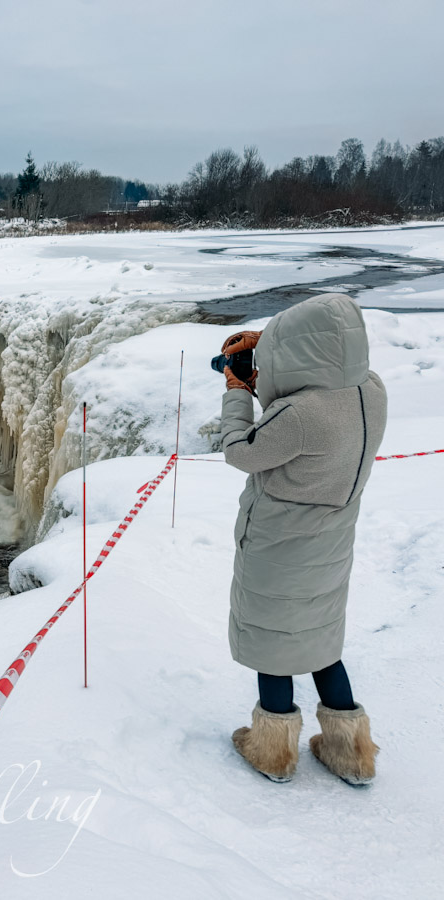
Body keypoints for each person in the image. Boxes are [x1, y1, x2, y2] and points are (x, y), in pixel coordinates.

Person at [219, 293, 386, 785]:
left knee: (276, 642)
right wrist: (266, 348)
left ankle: (271, 751)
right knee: (319, 641)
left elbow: (240, 451)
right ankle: (351, 753)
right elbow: (321, 370)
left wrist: (236, 387)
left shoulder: (298, 414)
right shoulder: (370, 390)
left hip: (280, 546)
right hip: (332, 543)